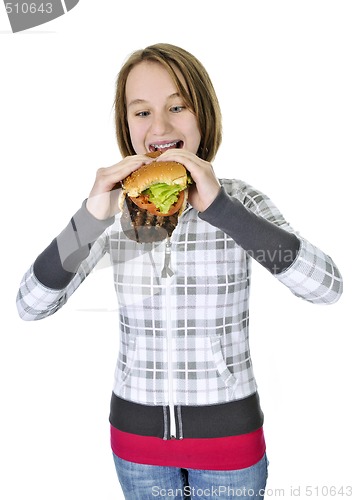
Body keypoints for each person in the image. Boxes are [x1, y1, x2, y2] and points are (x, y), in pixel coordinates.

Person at [16, 43, 343, 500]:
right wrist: (90, 218)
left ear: (202, 114)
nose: (161, 126)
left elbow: (327, 288)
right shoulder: (112, 211)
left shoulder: (239, 200)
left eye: (177, 106)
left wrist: (222, 210)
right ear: (126, 125)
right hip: (136, 446)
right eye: (142, 112)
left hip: (231, 444)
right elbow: (30, 304)